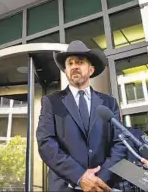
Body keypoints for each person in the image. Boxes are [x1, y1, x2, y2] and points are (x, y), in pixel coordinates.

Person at [36, 40, 127, 192]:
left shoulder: (109, 103)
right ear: (66, 71)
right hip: (65, 187)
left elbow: (120, 143)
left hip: (102, 186)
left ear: (91, 70)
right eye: (70, 63)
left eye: (80, 62)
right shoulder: (51, 102)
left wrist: (99, 179)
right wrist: (80, 176)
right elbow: (46, 143)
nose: (74, 66)